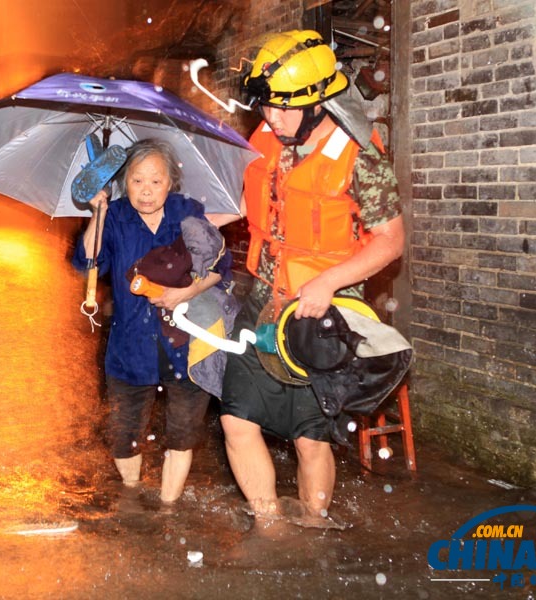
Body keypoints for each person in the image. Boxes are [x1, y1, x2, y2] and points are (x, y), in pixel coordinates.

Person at [210, 30, 405, 525]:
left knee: (309, 439)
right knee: (235, 418)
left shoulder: (361, 158)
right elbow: (249, 203)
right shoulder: (267, 139)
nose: (270, 117)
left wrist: (328, 282)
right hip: (263, 300)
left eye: (282, 108)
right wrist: (190, 220)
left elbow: (390, 240)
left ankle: (315, 528)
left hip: (321, 316)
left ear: (316, 103)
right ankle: (270, 525)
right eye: (266, 106)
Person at [72, 139, 233, 505]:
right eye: (137, 181)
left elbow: (220, 266)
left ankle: (167, 510)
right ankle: (131, 498)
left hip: (186, 342)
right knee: (122, 435)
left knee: (182, 433)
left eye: (156, 181)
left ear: (170, 182)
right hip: (130, 344)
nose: (146, 190)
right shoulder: (115, 216)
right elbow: (87, 263)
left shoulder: (187, 213)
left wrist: (185, 292)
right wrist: (98, 213)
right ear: (124, 182)